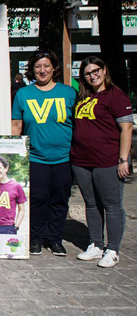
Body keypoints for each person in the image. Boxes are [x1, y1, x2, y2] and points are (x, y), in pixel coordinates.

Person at [11, 49, 75, 256]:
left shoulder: (69, 93)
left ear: (54, 68)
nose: (42, 70)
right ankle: (36, 238)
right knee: (38, 199)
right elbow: (16, 125)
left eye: (46, 66)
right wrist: (14, 153)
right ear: (32, 70)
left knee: (59, 199)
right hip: (36, 157)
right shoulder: (23, 94)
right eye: (38, 66)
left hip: (64, 157)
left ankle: (55, 239)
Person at [72, 56, 132, 268]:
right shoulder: (83, 97)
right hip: (81, 160)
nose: (92, 76)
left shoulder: (116, 96)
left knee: (112, 205)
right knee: (91, 204)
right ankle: (95, 244)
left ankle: (113, 249)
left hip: (107, 160)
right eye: (88, 73)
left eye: (96, 70)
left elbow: (126, 128)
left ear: (104, 70)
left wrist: (123, 159)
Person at [0, 156, 26, 235]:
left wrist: (16, 226)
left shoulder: (16, 186)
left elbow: (22, 209)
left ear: (6, 168)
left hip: (8, 227)